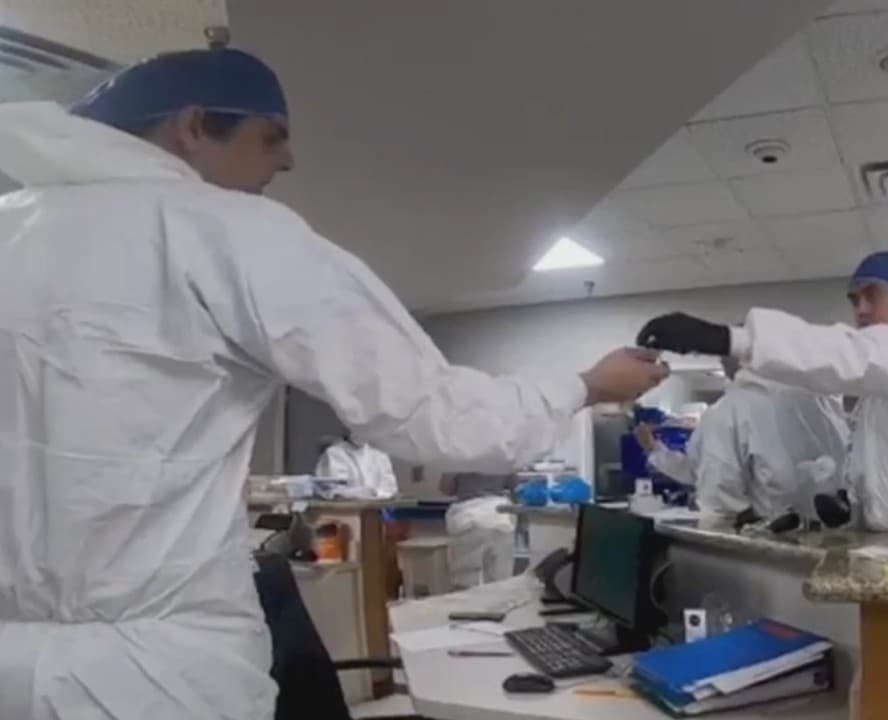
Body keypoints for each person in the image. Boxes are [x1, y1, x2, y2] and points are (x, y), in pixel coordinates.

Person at [0, 49, 667, 720]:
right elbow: (436, 415)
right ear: (194, 126)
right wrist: (584, 385)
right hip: (154, 678)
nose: (287, 162)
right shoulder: (227, 231)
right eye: (271, 138)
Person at [636, 251, 888, 720]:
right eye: (854, 299)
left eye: (872, 295)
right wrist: (850, 502)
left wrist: (730, 339)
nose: (861, 308)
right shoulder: (881, 396)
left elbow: (857, 355)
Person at [637, 357, 850, 531]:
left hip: (770, 544)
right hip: (835, 536)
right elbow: (699, 469)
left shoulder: (730, 410)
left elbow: (719, 495)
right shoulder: (822, 400)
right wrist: (655, 451)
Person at [439, 472, 519, 588]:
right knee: (500, 580)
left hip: (466, 518)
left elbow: (446, 489)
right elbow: (516, 489)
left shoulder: (456, 460)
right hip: (499, 517)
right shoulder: (503, 460)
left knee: (466, 581)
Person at [315, 433, 398, 498]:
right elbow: (335, 489)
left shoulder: (380, 455)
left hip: (378, 510)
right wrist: (367, 493)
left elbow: (390, 487)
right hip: (345, 510)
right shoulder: (334, 453)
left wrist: (376, 494)